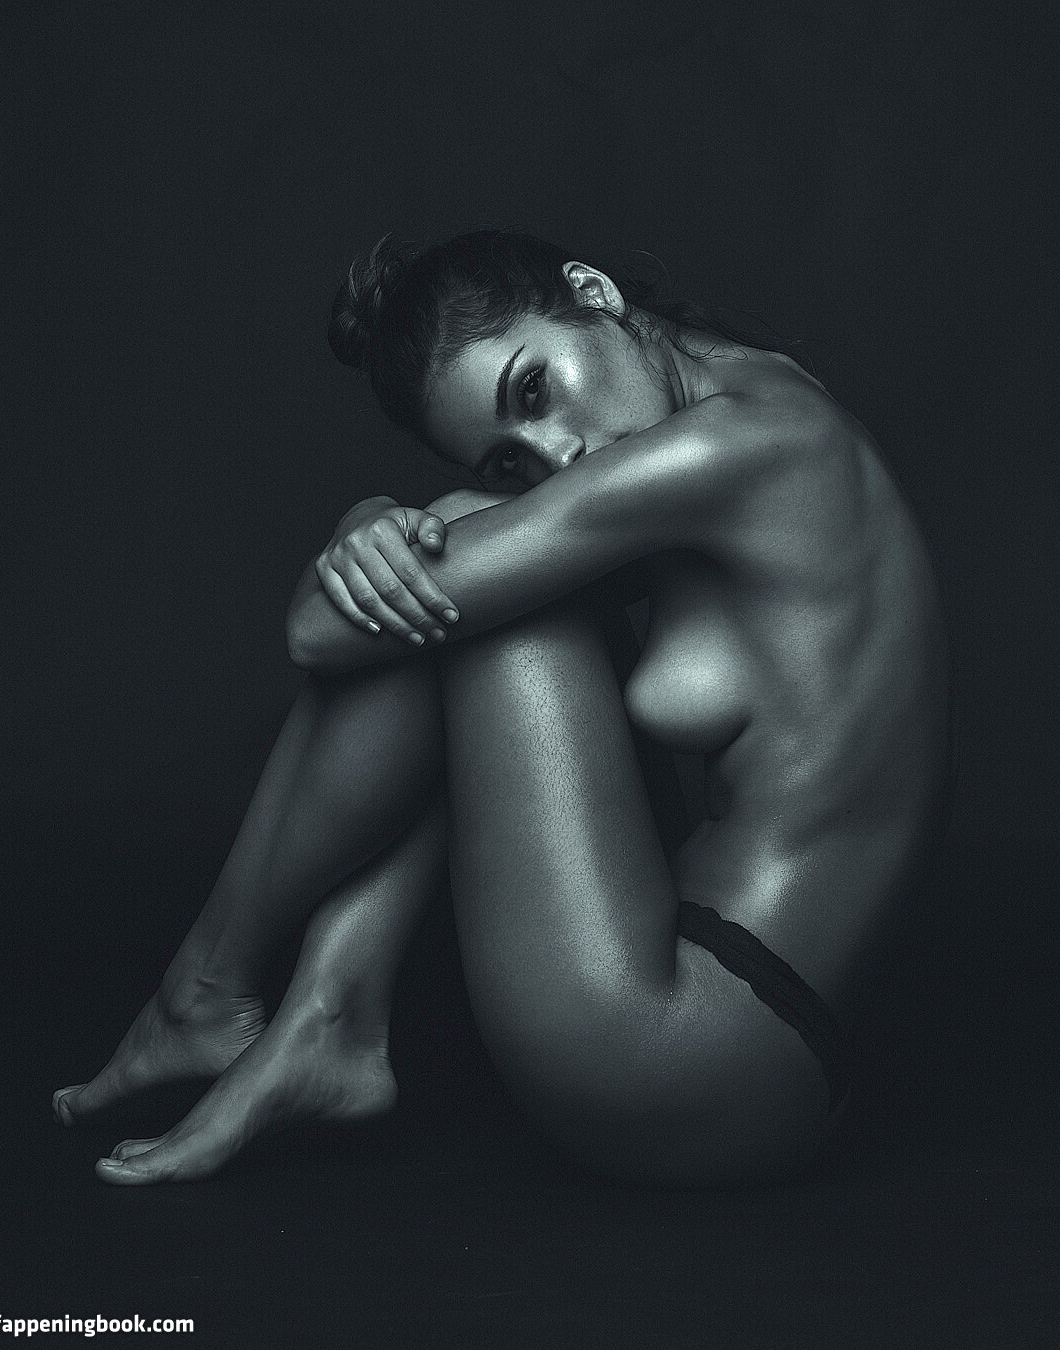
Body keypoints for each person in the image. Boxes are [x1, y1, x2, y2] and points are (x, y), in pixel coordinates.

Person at [52, 229, 949, 1187]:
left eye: (533, 389)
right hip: (782, 1068)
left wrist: (370, 523)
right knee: (468, 576)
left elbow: (317, 629)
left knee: (460, 564)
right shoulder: (764, 397)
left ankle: (211, 989)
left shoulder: (733, 448)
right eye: (509, 463)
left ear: (592, 290)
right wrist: (383, 527)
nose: (558, 455)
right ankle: (322, 1018)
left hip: (685, 1060)